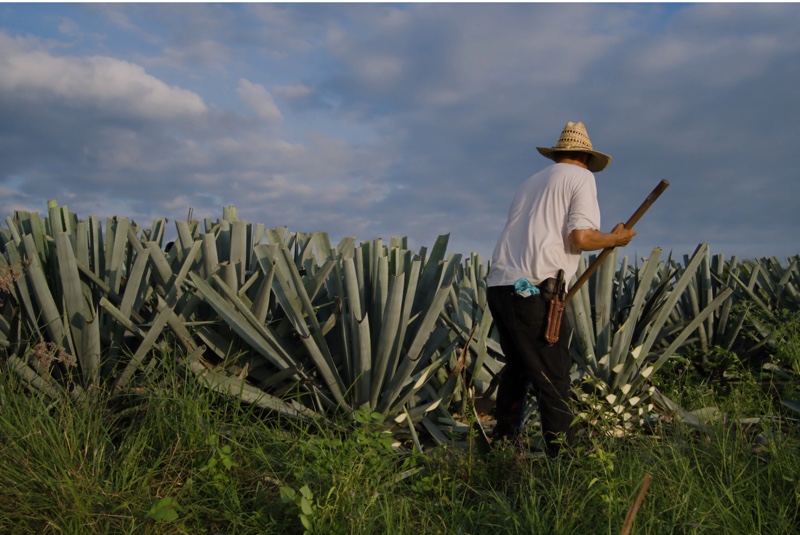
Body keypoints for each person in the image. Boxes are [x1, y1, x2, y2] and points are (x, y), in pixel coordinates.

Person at [485, 121, 636, 456]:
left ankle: (504, 445)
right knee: (553, 376)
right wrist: (616, 238)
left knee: (519, 366)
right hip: (536, 289)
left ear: (559, 154)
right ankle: (564, 461)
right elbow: (580, 238)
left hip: (499, 285)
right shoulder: (581, 178)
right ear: (585, 156)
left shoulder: (530, 183)